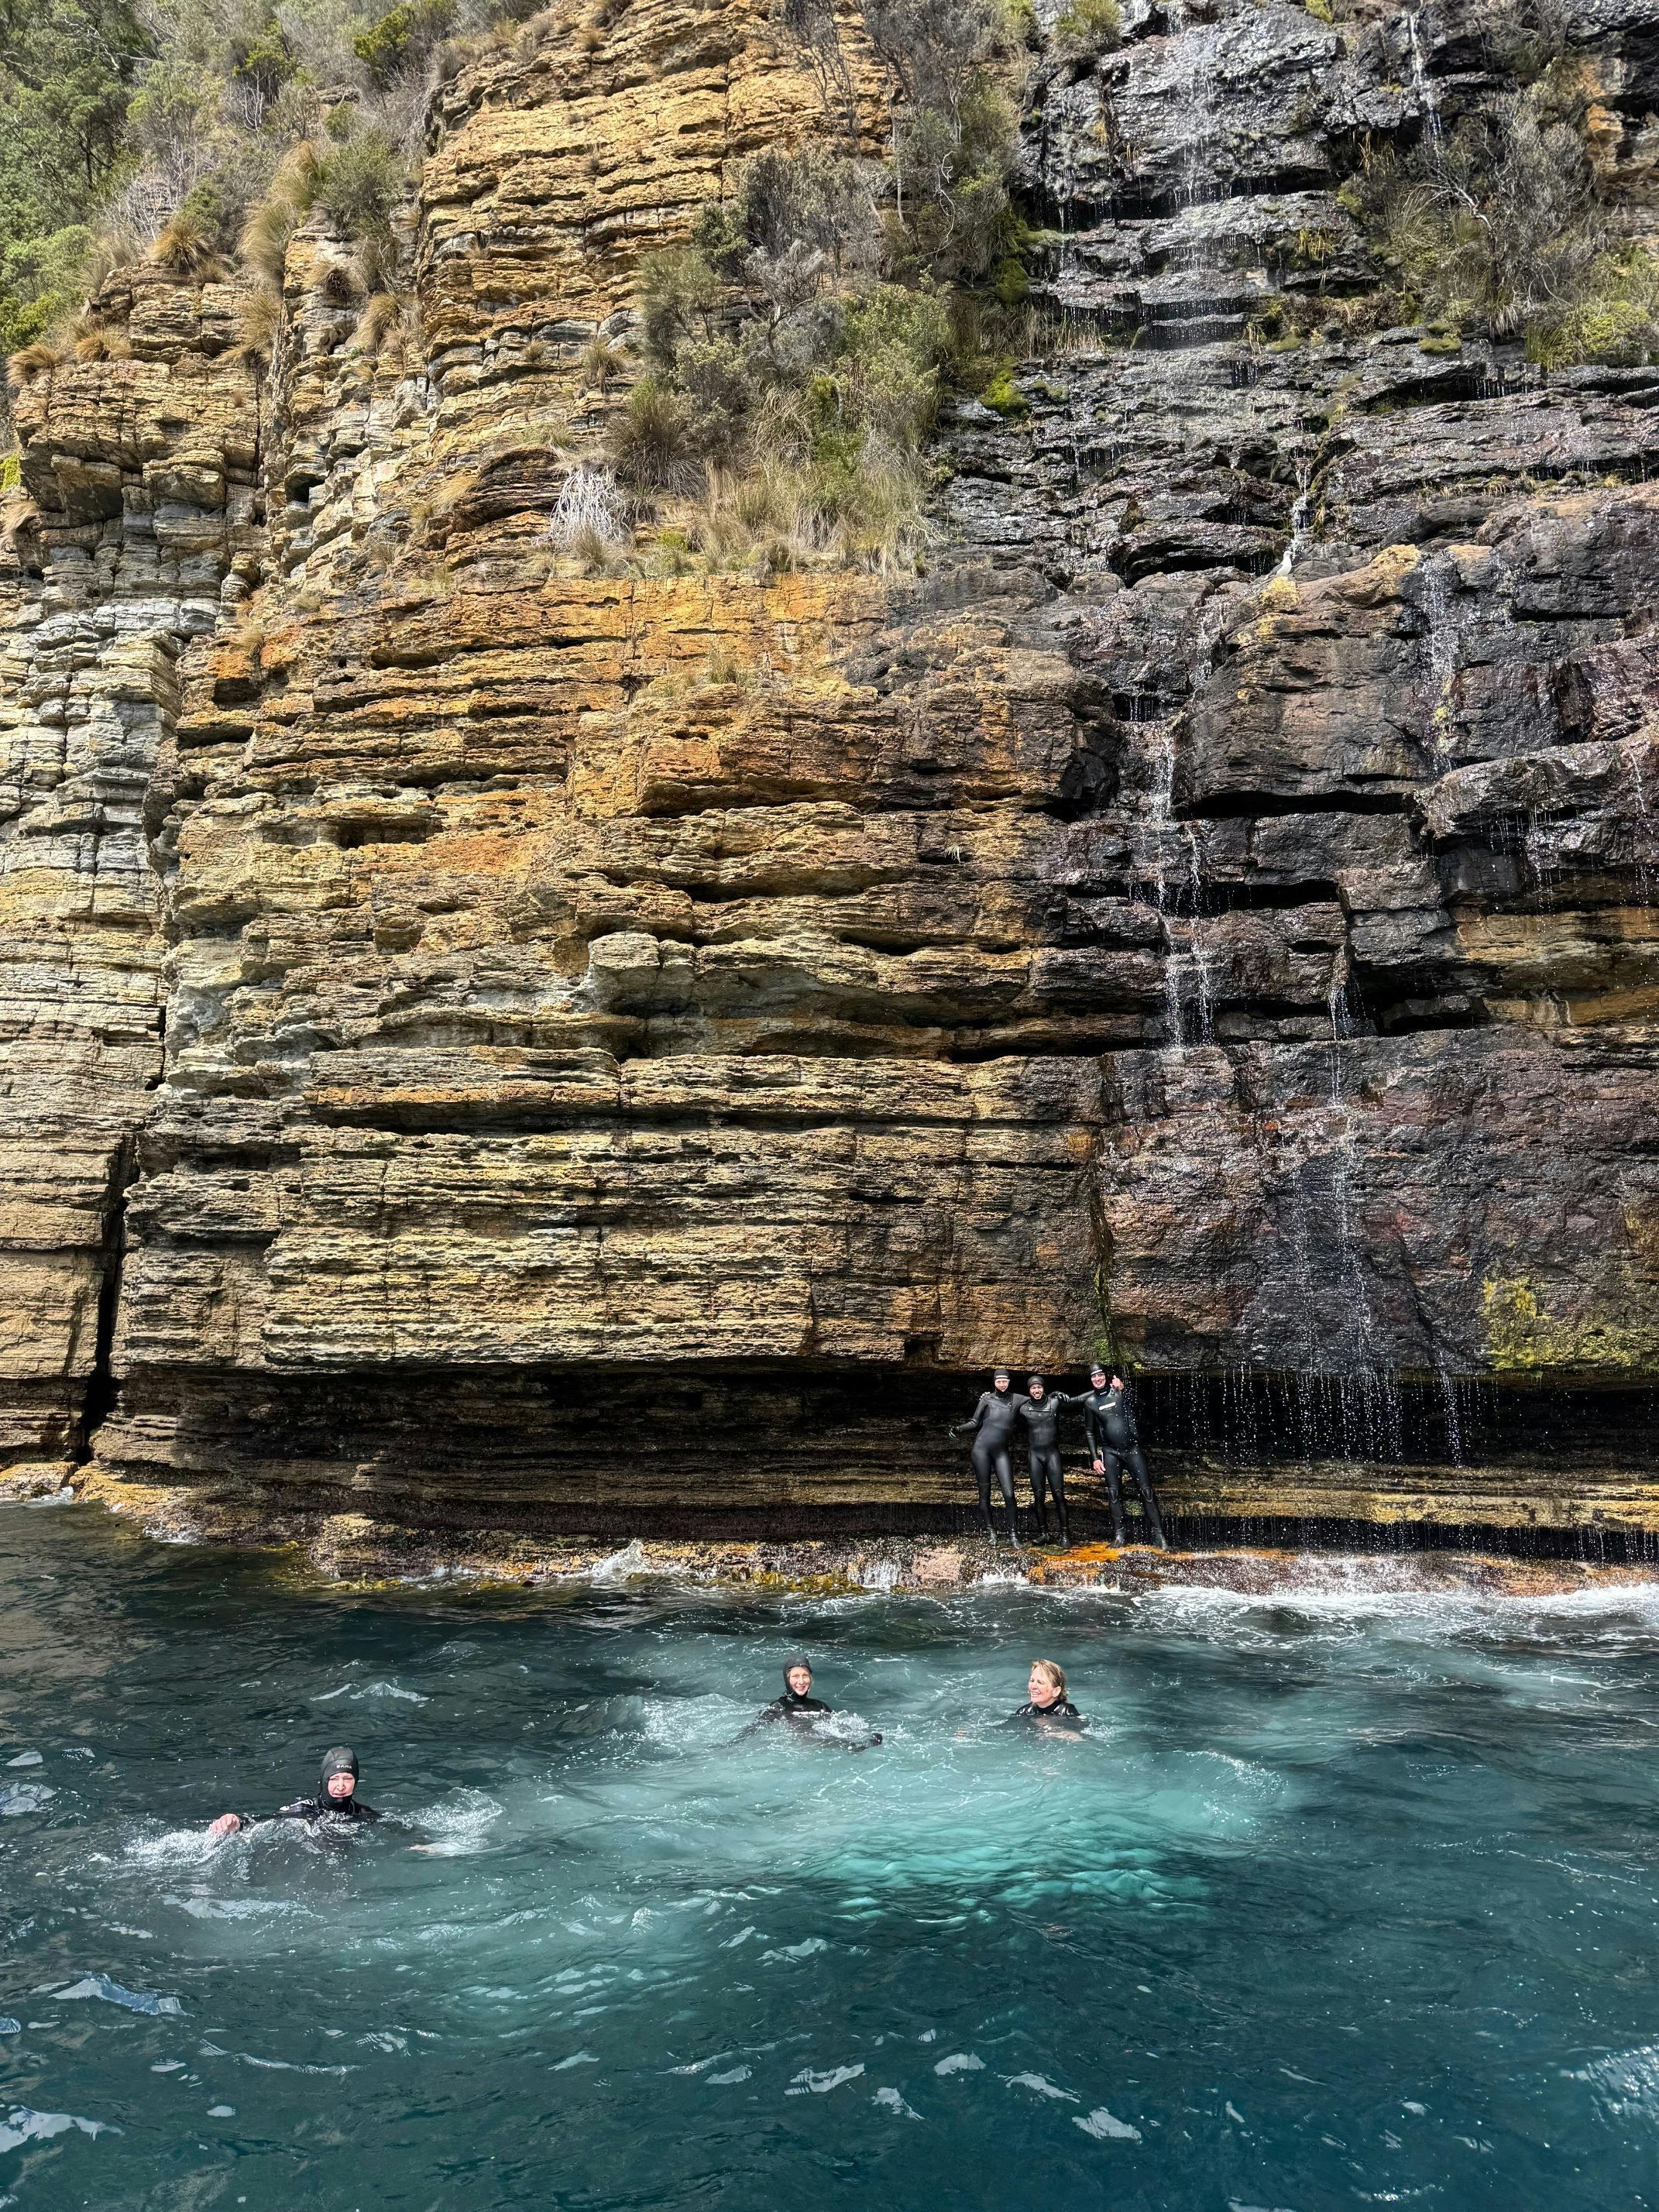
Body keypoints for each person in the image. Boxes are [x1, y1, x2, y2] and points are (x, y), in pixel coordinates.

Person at [1070, 1365, 1169, 1550]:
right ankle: (1119, 1536)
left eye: (1100, 1375)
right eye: (1094, 1377)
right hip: (1110, 1452)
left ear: (1106, 1377)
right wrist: (1095, 1458)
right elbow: (1089, 1431)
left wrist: (1124, 1389)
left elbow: (1142, 1406)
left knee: (1146, 1491)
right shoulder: (1090, 1402)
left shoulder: (1119, 1391)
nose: (1097, 1379)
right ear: (1091, 1380)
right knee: (1113, 1494)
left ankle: (1160, 1536)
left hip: (1132, 1450)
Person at [207, 1747, 382, 1840]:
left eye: (348, 1779)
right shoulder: (306, 1810)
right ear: (324, 1781)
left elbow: (395, 1828)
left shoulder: (364, 1813)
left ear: (356, 1782)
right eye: (334, 1779)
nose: (341, 1785)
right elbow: (265, 1820)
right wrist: (237, 1822)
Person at [950, 1369, 1026, 1544]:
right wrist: (958, 1429)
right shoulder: (987, 1399)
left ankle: (1013, 1535)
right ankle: (991, 1532)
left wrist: (1054, 1395)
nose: (1002, 1384)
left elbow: (1038, 1399)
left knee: (1009, 1494)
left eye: (1004, 1381)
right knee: (985, 1494)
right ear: (994, 1383)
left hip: (1001, 1453)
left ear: (1009, 1382)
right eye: (998, 1381)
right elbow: (975, 1422)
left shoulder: (1017, 1399)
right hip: (981, 1451)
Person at [750, 1662, 881, 1747]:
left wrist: (860, 1734)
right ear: (787, 1679)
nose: (801, 1681)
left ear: (810, 1678)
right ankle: (855, 1747)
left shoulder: (820, 1706)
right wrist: (731, 1747)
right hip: (801, 1748)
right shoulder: (778, 1707)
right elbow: (751, 1731)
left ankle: (856, 1746)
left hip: (824, 1745)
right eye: (796, 1676)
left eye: (805, 1676)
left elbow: (841, 1726)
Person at [1015, 1375, 1074, 1547]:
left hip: (1052, 1456)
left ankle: (1065, 1535)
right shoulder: (1023, 1408)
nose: (1036, 1390)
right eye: (1033, 1387)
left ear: (1043, 1388)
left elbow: (1077, 1400)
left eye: (1039, 1387)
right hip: (1034, 1456)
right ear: (1029, 1390)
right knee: (1038, 1496)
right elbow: (1004, 1409)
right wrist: (986, 1397)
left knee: (1058, 1494)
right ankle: (1044, 1534)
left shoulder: (1054, 1402)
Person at [1005, 1660, 1085, 1733]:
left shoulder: (1067, 1713)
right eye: (1032, 1681)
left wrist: (1055, 1733)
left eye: (1040, 1682)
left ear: (1056, 1691)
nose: (1033, 1686)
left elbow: (1079, 1737)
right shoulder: (1025, 1712)